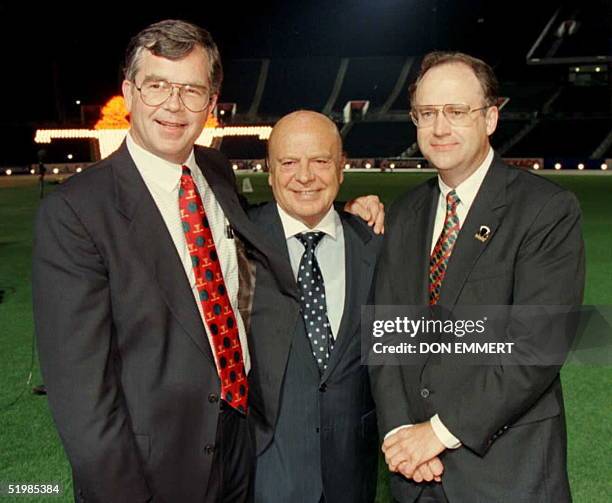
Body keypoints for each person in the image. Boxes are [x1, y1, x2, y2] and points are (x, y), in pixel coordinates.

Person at [32, 20, 382, 503]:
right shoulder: (75, 212)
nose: (174, 104)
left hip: (242, 449)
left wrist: (353, 216)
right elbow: (82, 397)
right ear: (130, 93)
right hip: (155, 469)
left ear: (211, 103)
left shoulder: (216, 174)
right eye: (157, 86)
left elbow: (280, 234)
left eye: (191, 89)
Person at [370, 51, 584, 502]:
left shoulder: (545, 210)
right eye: (427, 113)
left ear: (490, 118)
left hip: (507, 476)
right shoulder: (407, 212)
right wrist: (400, 433)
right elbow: (385, 335)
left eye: (456, 112)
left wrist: (440, 432)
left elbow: (536, 348)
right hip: (417, 474)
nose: (440, 127)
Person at [247, 111, 381, 503]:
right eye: (288, 163)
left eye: (320, 161)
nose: (304, 176)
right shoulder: (238, 242)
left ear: (341, 168)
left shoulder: (376, 245)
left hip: (352, 473)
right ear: (269, 172)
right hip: (266, 474)